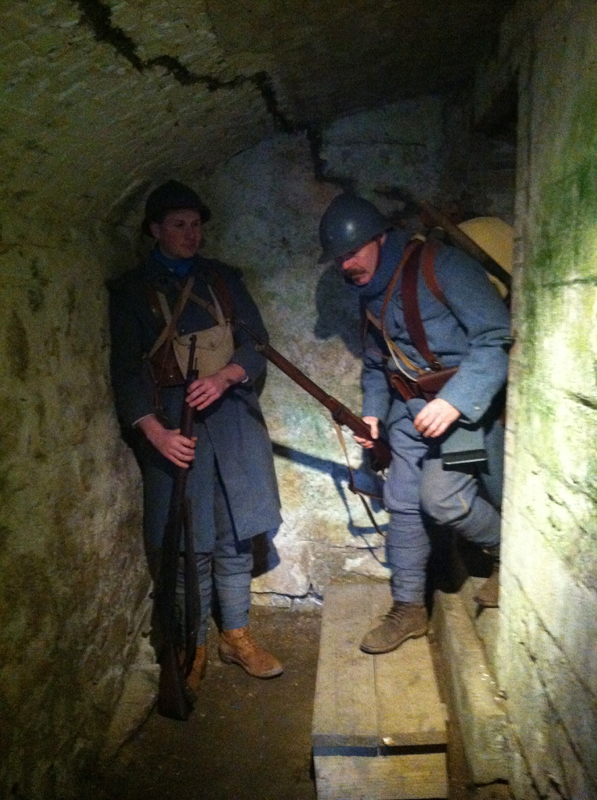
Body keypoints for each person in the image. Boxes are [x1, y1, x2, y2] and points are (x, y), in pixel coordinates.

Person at [318, 193, 511, 655]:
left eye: (353, 252)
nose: (347, 265)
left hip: (464, 411)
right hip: (409, 415)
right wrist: (373, 413)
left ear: (380, 239)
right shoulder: (369, 294)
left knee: (443, 499)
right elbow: (376, 366)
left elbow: (495, 338)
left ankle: (512, 555)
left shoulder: (441, 266)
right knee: (402, 503)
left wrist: (457, 402)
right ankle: (409, 609)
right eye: (339, 257)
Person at [109, 180, 283, 688]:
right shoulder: (131, 292)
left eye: (196, 224)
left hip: (230, 419)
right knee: (190, 543)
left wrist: (226, 375)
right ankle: (193, 643)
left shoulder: (224, 281)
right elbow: (126, 371)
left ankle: (236, 635)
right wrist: (154, 432)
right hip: (173, 424)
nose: (192, 234)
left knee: (234, 534)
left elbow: (256, 345)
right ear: (156, 231)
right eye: (179, 225)